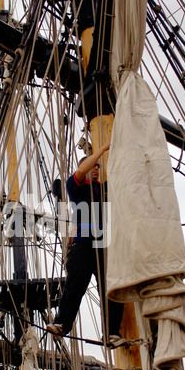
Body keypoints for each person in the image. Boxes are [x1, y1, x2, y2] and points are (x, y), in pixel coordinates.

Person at [47, 138, 124, 344]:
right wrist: (102, 149)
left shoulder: (104, 189)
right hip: (82, 244)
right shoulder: (75, 186)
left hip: (105, 247)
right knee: (75, 285)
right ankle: (62, 323)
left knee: (112, 288)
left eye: (99, 167)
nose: (96, 169)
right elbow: (82, 171)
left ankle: (112, 332)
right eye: (93, 166)